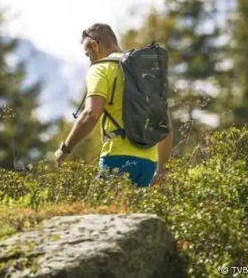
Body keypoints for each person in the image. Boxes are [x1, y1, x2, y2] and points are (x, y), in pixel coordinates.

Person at [54, 23, 173, 187]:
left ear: (95, 45)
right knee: (131, 204)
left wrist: (65, 149)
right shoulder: (142, 70)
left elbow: (91, 114)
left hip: (117, 156)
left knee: (101, 203)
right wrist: (162, 169)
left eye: (88, 54)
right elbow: (164, 123)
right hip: (149, 162)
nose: (89, 60)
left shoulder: (100, 68)